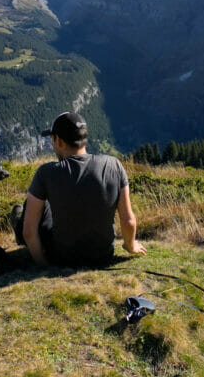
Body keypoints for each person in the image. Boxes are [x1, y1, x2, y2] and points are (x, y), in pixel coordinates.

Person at [13, 111, 146, 267]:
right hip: (103, 257)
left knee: (33, 205)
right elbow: (128, 221)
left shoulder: (45, 173)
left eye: (52, 140)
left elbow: (29, 231)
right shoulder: (113, 165)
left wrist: (44, 266)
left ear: (59, 141)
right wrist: (131, 247)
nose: (52, 144)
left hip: (62, 258)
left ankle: (17, 221)